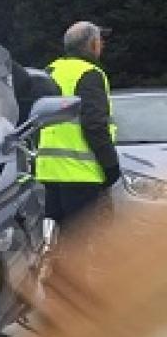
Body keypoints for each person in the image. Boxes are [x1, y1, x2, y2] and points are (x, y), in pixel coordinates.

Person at [36, 21, 120, 229]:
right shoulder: (90, 73)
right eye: (100, 40)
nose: (102, 45)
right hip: (81, 174)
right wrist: (111, 166)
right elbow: (94, 124)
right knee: (85, 240)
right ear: (93, 45)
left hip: (48, 173)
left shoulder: (49, 71)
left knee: (58, 239)